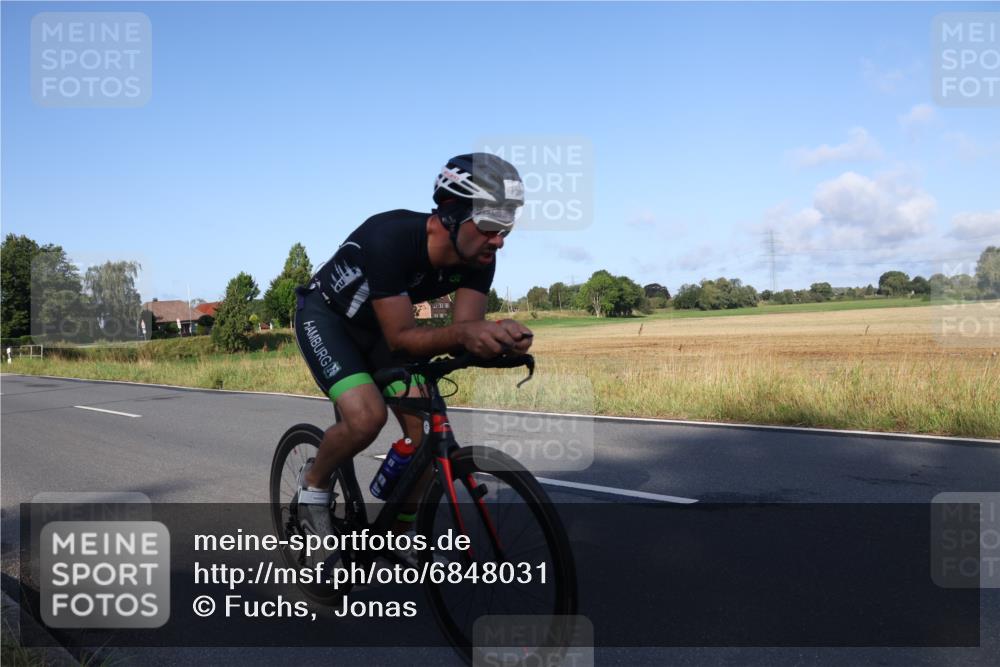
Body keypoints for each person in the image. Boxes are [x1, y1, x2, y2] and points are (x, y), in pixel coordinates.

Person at [292, 153, 534, 542]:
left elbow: (466, 329)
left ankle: (400, 536)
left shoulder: (481, 257)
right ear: (451, 214)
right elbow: (402, 338)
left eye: (508, 225)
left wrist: (500, 341)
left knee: (427, 437)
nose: (500, 239)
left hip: (383, 330)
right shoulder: (389, 237)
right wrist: (466, 335)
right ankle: (313, 486)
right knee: (366, 418)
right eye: (490, 224)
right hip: (329, 321)